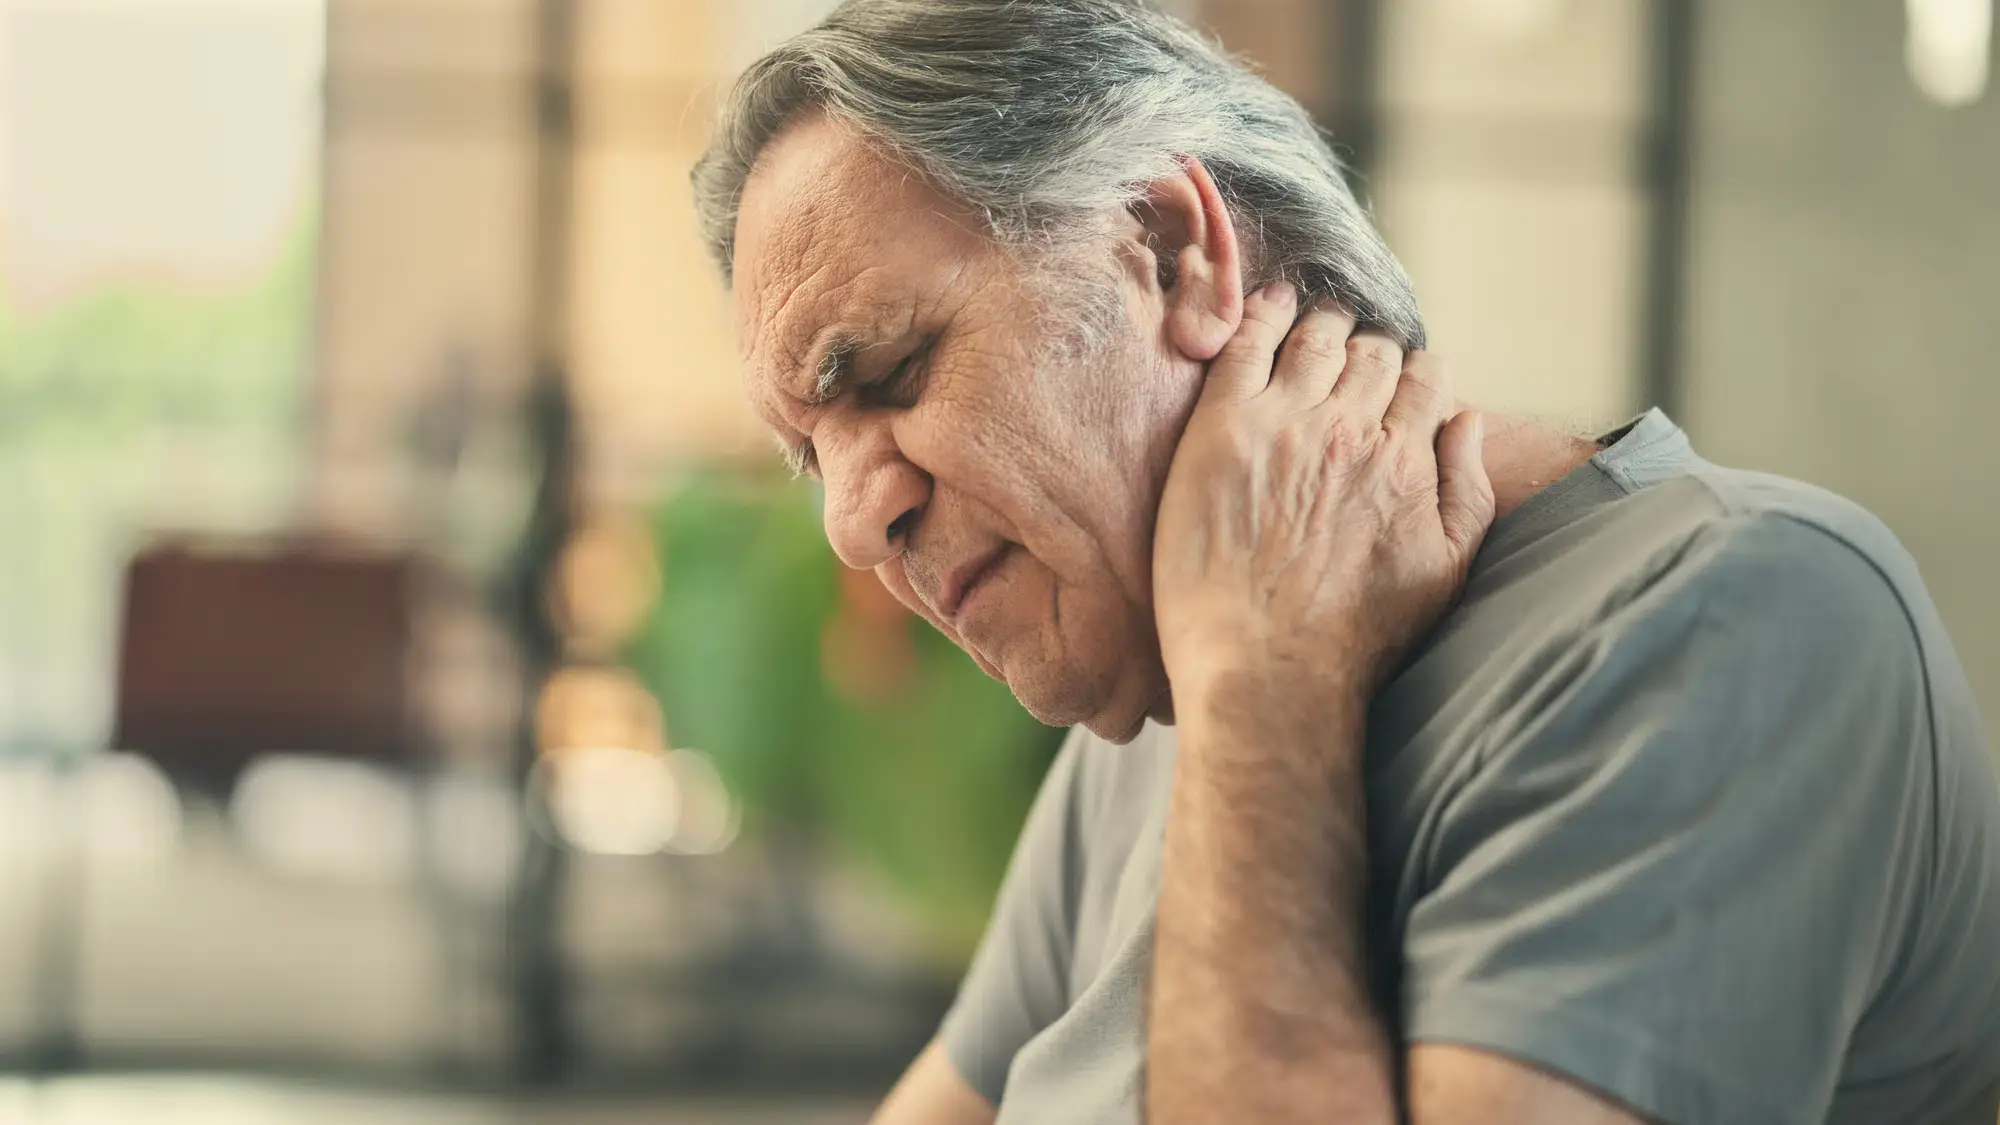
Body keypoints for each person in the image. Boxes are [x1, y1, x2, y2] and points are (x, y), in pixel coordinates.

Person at [690, 1, 2000, 1122]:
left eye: (891, 371)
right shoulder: (1139, 722)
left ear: (1168, 246)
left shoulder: (1737, 618)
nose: (853, 526)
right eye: (813, 453)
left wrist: (1265, 697)